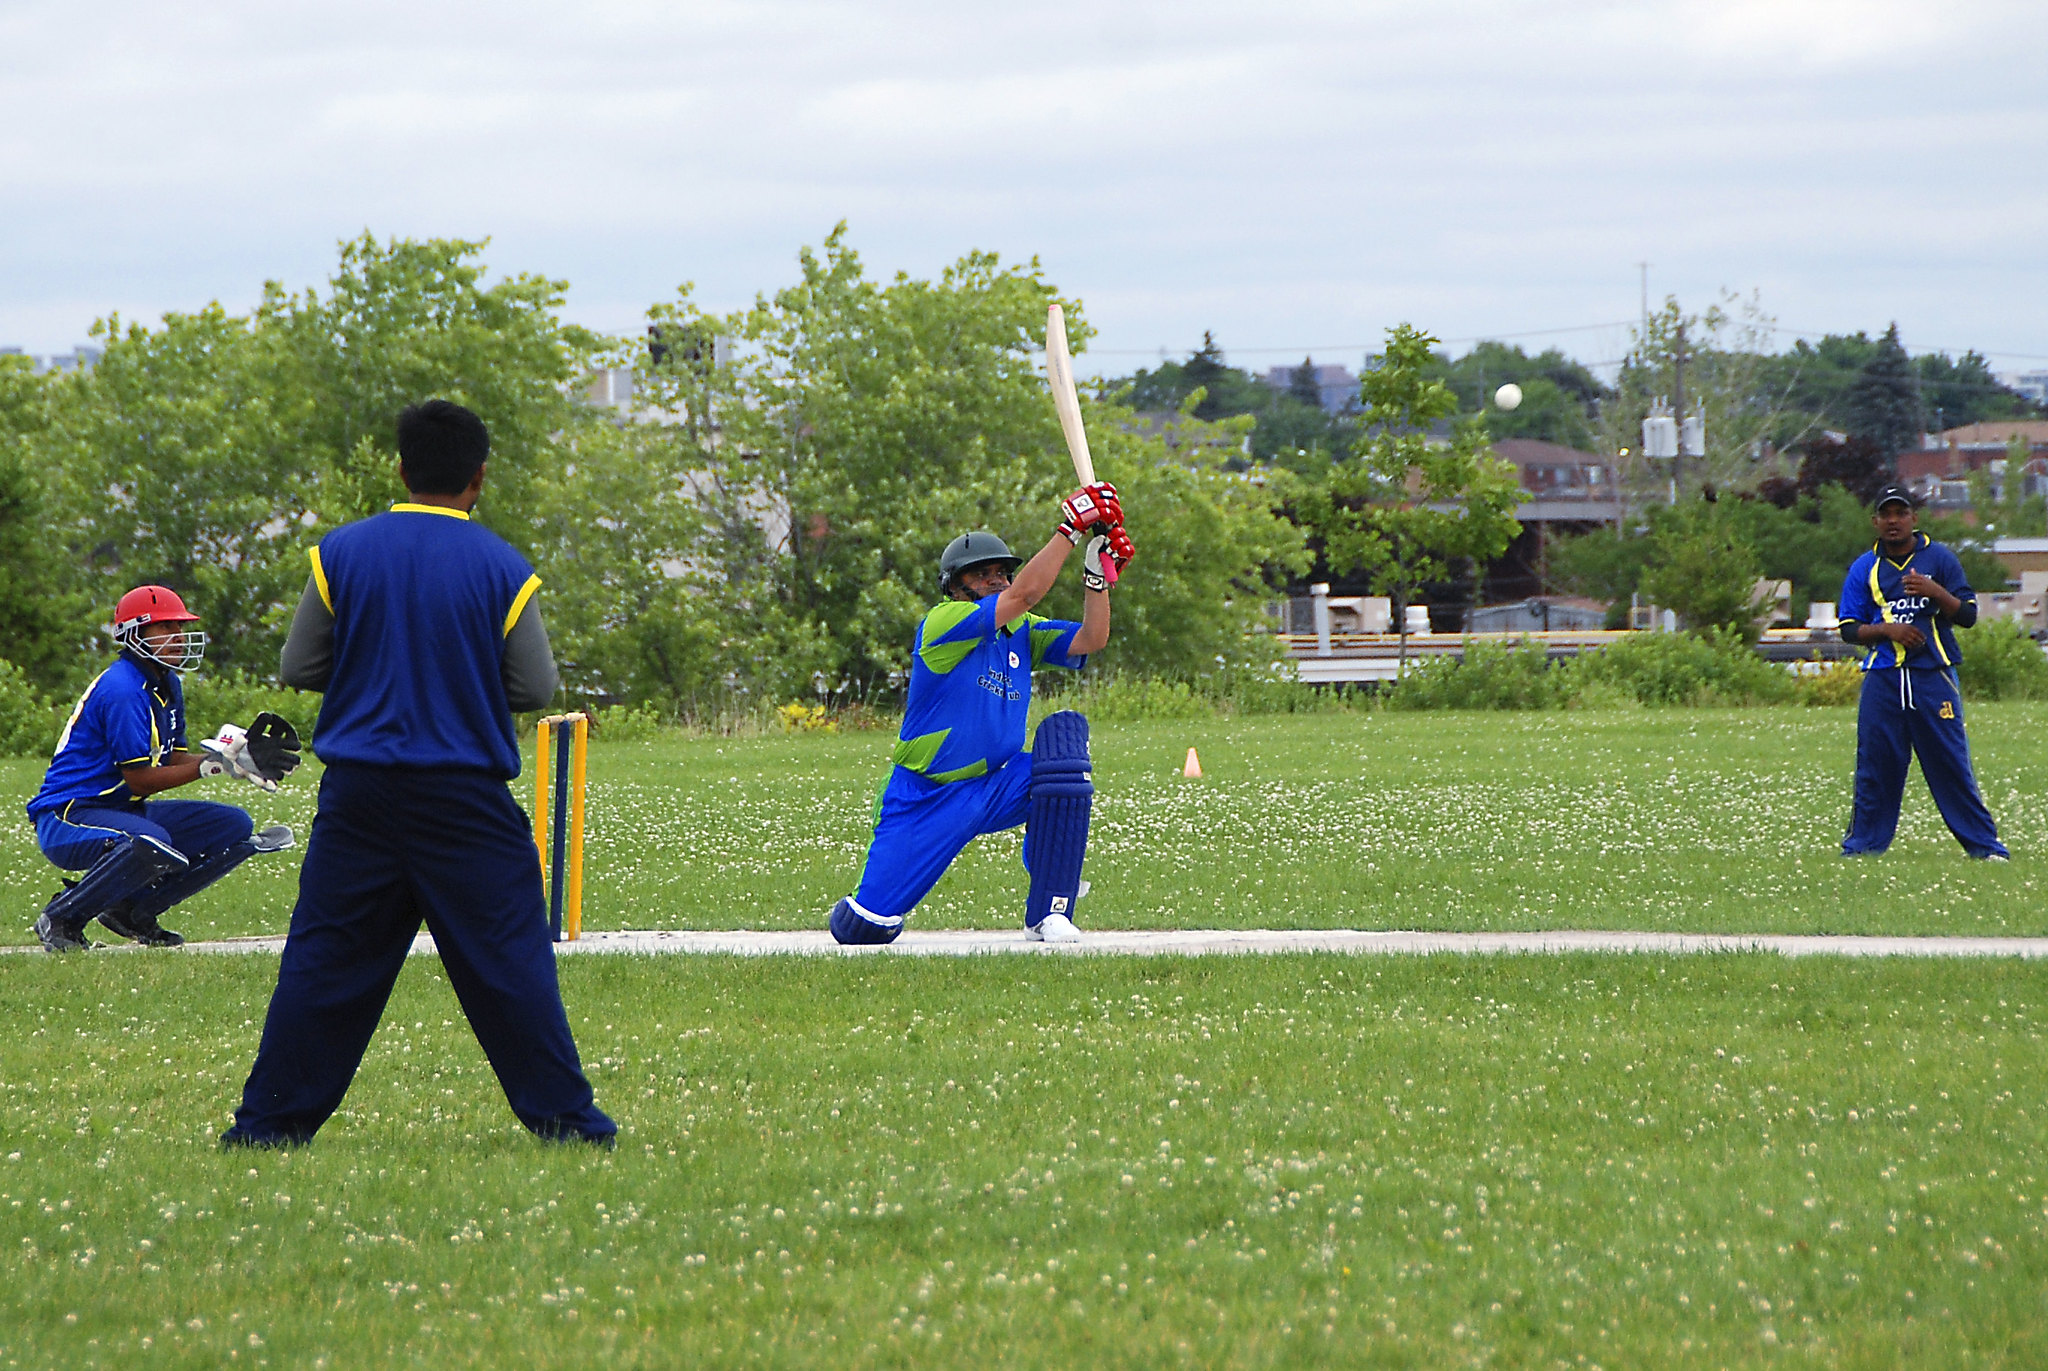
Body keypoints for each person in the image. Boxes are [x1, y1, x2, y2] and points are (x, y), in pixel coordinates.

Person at [222, 399, 614, 1148]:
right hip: (464, 799)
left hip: (360, 797)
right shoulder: (504, 567)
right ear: (479, 477)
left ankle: (268, 1126)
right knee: (509, 967)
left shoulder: (339, 553)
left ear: (400, 469)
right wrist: (458, 678)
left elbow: (299, 664)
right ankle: (569, 1124)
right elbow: (534, 688)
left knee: (325, 964)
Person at [829, 484, 1132, 946]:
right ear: (954, 585)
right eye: (981, 573)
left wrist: (1097, 577)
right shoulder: (943, 621)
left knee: (1064, 764)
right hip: (925, 795)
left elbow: (1092, 638)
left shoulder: (1021, 631)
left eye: (1001, 573)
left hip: (994, 785)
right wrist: (1070, 529)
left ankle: (1050, 911)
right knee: (864, 929)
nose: (996, 580)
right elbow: (1027, 594)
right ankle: (867, 903)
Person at [26, 585, 298, 952]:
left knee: (234, 826)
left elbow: (171, 760)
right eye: (166, 627)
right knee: (151, 843)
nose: (179, 638)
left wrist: (233, 758)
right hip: (70, 815)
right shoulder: (123, 689)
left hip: (120, 809)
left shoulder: (167, 682)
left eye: (180, 628)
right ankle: (61, 917)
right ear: (135, 633)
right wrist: (211, 766)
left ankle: (132, 910)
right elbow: (140, 778)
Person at [1835, 484, 2007, 859]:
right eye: (1886, 515)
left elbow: (1968, 615)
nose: (1893, 521)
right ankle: (1863, 846)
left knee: (1949, 762)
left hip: (1933, 675)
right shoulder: (1865, 567)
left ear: (1914, 518)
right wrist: (1888, 630)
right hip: (1884, 676)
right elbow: (1849, 628)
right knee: (1876, 765)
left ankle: (1985, 847)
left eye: (1901, 513)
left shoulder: (1940, 559)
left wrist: (1934, 591)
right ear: (1876, 521)